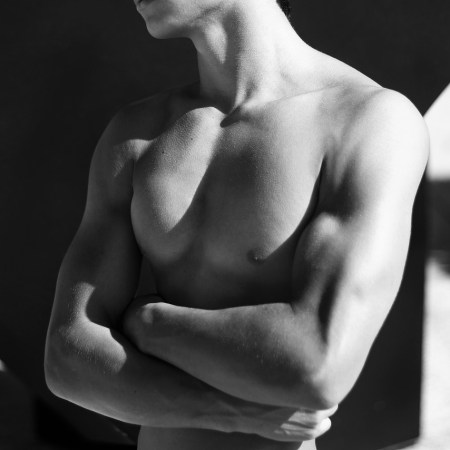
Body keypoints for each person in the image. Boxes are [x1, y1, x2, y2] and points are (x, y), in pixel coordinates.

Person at [44, 0, 429, 449]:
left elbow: (317, 364)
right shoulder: (135, 134)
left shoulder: (367, 121)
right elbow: (66, 359)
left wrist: (149, 323)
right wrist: (231, 413)